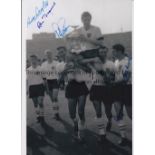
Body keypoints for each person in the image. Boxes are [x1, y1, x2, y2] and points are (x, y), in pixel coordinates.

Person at [81, 46, 115, 144]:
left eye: (104, 52)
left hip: (107, 89)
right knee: (98, 112)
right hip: (96, 88)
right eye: (101, 52)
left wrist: (108, 77)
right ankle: (102, 133)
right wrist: (92, 60)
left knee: (108, 110)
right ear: (98, 53)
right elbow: (82, 61)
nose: (103, 54)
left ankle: (109, 120)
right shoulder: (94, 62)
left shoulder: (111, 64)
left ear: (107, 52)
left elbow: (113, 78)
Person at [112, 44, 132, 145]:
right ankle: (123, 136)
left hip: (127, 88)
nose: (112, 53)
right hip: (117, 89)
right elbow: (116, 76)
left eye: (114, 51)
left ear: (119, 51)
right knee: (118, 112)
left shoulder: (129, 61)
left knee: (130, 114)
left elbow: (126, 78)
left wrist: (114, 83)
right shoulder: (115, 62)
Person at [41, 49, 65, 121]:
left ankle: (56, 114)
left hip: (55, 81)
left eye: (49, 53)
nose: (48, 55)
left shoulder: (56, 63)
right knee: (52, 99)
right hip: (48, 82)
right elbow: (43, 75)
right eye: (47, 54)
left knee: (54, 97)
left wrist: (60, 82)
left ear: (52, 54)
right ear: (45, 55)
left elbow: (61, 73)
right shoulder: (43, 64)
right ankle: (56, 113)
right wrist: (44, 84)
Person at [27, 55, 45, 124]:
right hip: (32, 87)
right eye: (31, 59)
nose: (33, 61)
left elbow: (44, 79)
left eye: (34, 59)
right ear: (30, 60)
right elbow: (27, 81)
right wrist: (27, 89)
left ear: (36, 60)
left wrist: (46, 88)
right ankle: (38, 116)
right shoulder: (28, 70)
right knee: (35, 103)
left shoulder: (41, 68)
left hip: (40, 86)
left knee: (40, 102)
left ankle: (42, 116)